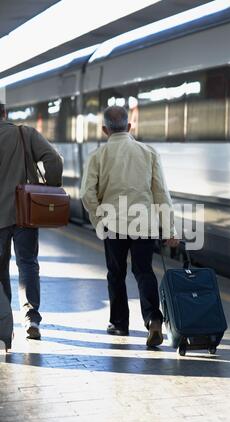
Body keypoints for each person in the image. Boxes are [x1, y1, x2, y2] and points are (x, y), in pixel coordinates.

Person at [80, 106, 179, 347]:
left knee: (116, 274)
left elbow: (86, 194)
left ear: (105, 130)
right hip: (144, 224)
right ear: (129, 127)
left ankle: (119, 324)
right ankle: (153, 319)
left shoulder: (97, 156)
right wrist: (169, 230)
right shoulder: (149, 153)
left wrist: (99, 218)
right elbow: (161, 194)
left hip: (113, 224)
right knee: (144, 271)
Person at [0, 102, 63, 347]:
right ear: (5, 114)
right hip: (25, 213)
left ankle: (4, 324)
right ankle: (31, 319)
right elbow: (54, 160)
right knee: (28, 264)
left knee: (1, 270)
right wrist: (50, 187)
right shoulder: (23, 132)